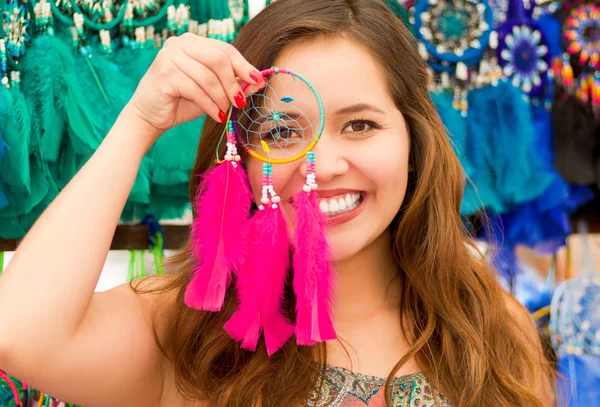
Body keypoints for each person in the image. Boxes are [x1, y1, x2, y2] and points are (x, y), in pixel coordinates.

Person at [0, 0, 554, 406]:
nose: (324, 166)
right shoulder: (180, 330)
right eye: (284, 132)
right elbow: (16, 332)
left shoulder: (490, 325)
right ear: (240, 158)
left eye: (360, 125)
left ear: (413, 143)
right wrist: (140, 122)